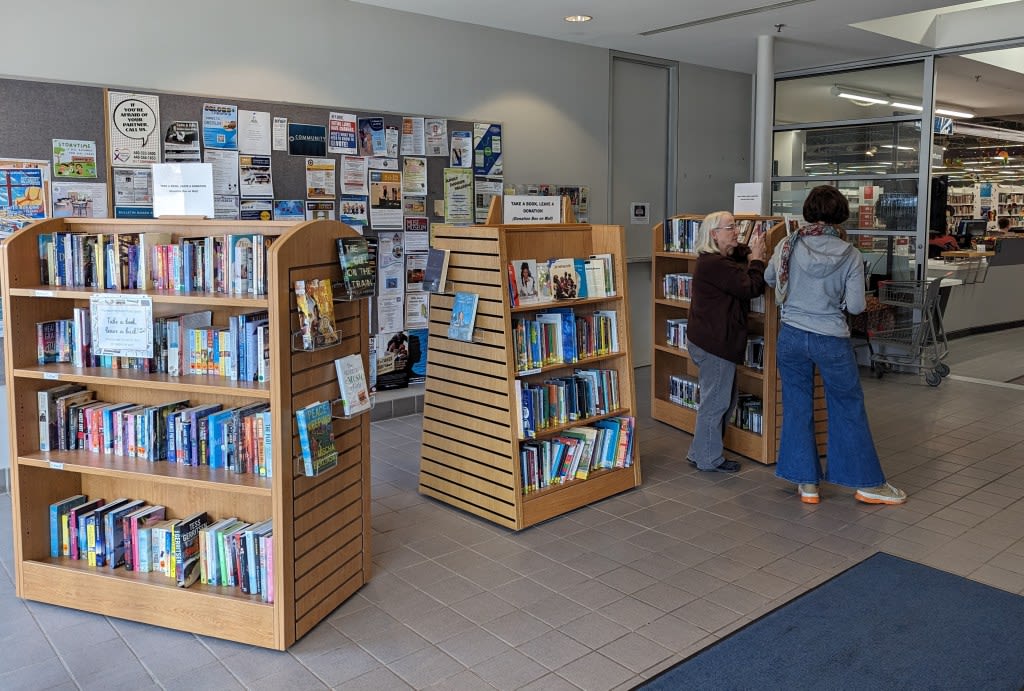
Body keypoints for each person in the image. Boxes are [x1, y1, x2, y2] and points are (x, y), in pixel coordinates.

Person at [765, 185, 906, 505]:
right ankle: (867, 483)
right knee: (847, 406)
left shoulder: (788, 244)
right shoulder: (851, 254)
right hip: (831, 338)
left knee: (797, 407)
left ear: (807, 212)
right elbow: (856, 306)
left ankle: (807, 483)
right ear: (841, 215)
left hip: (791, 335)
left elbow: (770, 279)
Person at [685, 211, 767, 473]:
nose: (736, 232)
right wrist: (757, 260)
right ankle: (709, 459)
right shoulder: (715, 264)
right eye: (731, 228)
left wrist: (749, 250)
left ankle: (700, 452)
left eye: (737, 226)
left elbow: (738, 254)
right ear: (714, 234)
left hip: (711, 341)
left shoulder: (716, 259)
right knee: (717, 403)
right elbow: (750, 287)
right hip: (715, 345)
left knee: (721, 399)